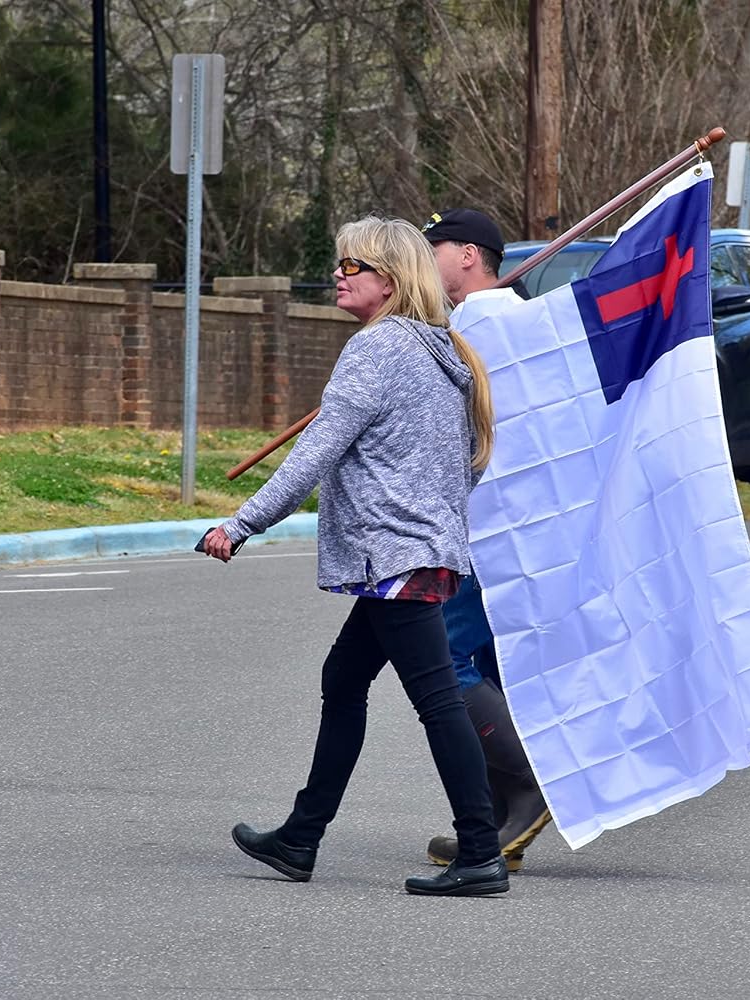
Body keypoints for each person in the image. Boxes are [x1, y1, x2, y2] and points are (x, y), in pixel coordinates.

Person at [201, 215, 508, 897]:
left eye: (352, 268)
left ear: (389, 281)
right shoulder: (439, 349)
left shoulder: (378, 350)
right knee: (344, 681)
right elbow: (468, 467)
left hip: (395, 558)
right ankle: (301, 837)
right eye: (339, 266)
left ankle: (481, 852)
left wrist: (242, 522)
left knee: (437, 702)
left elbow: (314, 453)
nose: (339, 277)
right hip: (419, 553)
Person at [419, 209, 553, 871]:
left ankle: (527, 788)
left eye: (433, 248)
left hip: (484, 525)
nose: (424, 260)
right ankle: (503, 823)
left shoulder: (481, 325)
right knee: (499, 665)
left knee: (444, 653)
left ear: (469, 254)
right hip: (504, 522)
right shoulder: (513, 320)